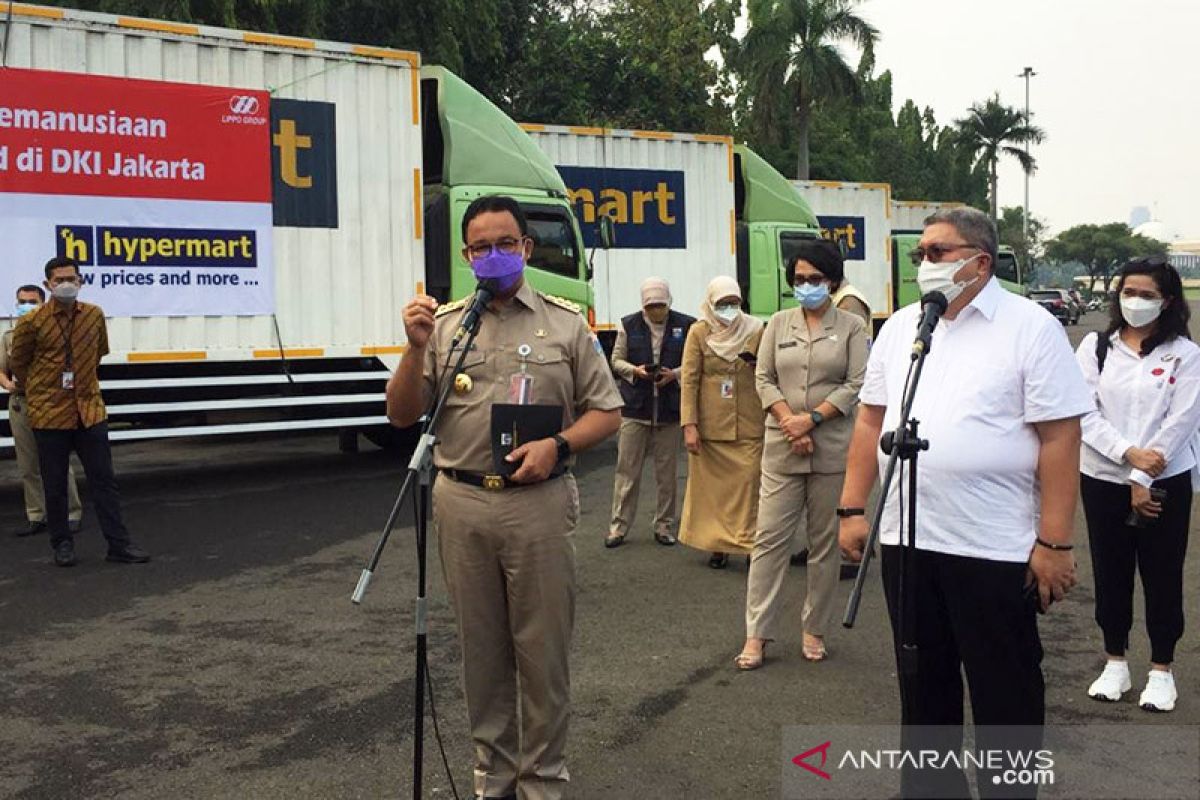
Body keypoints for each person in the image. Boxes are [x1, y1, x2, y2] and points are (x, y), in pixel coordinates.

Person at [838, 208, 1093, 798]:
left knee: (1007, 698)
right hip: (908, 539)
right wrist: (853, 507)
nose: (924, 264)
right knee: (924, 697)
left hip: (994, 547)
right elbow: (872, 419)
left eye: (937, 253)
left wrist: (1054, 542)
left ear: (980, 260)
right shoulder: (902, 327)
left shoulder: (1030, 327)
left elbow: (1061, 438)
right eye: (919, 254)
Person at [386, 195, 621, 800]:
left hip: (538, 504)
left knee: (542, 657)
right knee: (482, 656)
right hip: (461, 503)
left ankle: (542, 781)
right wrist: (413, 349)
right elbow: (403, 414)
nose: (493, 255)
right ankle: (493, 780)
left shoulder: (567, 325)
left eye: (504, 244)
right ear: (466, 256)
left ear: (526, 247)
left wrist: (559, 447)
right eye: (480, 247)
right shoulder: (445, 328)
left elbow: (608, 412)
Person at [1075, 257, 1199, 713]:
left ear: (1167, 301)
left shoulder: (1185, 355)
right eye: (1129, 292)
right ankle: (1115, 661)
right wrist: (1129, 457)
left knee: (1162, 573)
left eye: (1147, 295)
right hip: (1104, 476)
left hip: (1166, 479)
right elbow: (1082, 411)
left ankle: (1162, 669)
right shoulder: (1096, 347)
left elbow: (1181, 421)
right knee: (1111, 572)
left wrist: (1145, 474)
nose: (1136, 302)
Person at [737, 240, 868, 669]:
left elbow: (855, 384)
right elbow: (763, 376)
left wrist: (810, 420)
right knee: (769, 541)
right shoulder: (777, 323)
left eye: (814, 279)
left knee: (823, 546)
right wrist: (789, 421)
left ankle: (814, 628)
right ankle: (757, 633)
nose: (806, 286)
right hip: (782, 447)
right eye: (798, 280)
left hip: (831, 448)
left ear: (831, 280)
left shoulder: (851, 326)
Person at [9, 257, 150, 568]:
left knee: (105, 481)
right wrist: (44, 386)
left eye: (71, 278)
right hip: (49, 412)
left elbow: (97, 353)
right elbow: (19, 362)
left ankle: (119, 544)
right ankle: (62, 544)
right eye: (58, 280)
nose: (66, 284)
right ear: (48, 284)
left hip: (89, 409)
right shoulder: (32, 322)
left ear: (81, 280)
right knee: (55, 483)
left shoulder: (93, 316)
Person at [678, 276, 765, 569]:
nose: (729, 309)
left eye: (734, 303)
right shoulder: (698, 332)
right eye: (723, 304)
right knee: (712, 493)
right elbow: (689, 380)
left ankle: (749, 543)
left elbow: (769, 371)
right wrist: (689, 425)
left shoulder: (756, 330)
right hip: (710, 425)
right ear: (711, 303)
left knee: (750, 487)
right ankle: (717, 545)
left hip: (750, 423)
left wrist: (756, 362)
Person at [605, 277, 695, 548]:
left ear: (669, 302)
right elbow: (616, 360)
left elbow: (693, 362)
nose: (656, 310)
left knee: (667, 475)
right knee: (626, 473)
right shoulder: (628, 324)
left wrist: (674, 375)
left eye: (660, 305)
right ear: (643, 305)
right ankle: (618, 527)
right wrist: (636, 371)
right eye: (651, 306)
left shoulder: (686, 325)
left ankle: (664, 525)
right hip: (635, 409)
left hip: (669, 410)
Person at [1, 284, 83, 536]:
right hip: (21, 402)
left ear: (43, 303)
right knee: (28, 465)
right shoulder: (9, 336)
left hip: (50, 402)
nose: (26, 305)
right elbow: (2, 370)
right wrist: (7, 383)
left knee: (57, 461)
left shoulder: (55, 331)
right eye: (21, 301)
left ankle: (71, 512)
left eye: (32, 301)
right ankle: (36, 514)